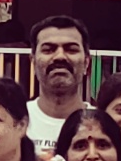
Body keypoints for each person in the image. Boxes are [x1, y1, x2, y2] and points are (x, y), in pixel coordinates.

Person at [22, 17, 88, 147]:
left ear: (86, 63)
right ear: (33, 62)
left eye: (71, 49)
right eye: (48, 49)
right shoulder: (14, 121)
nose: (60, 57)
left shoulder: (103, 125)